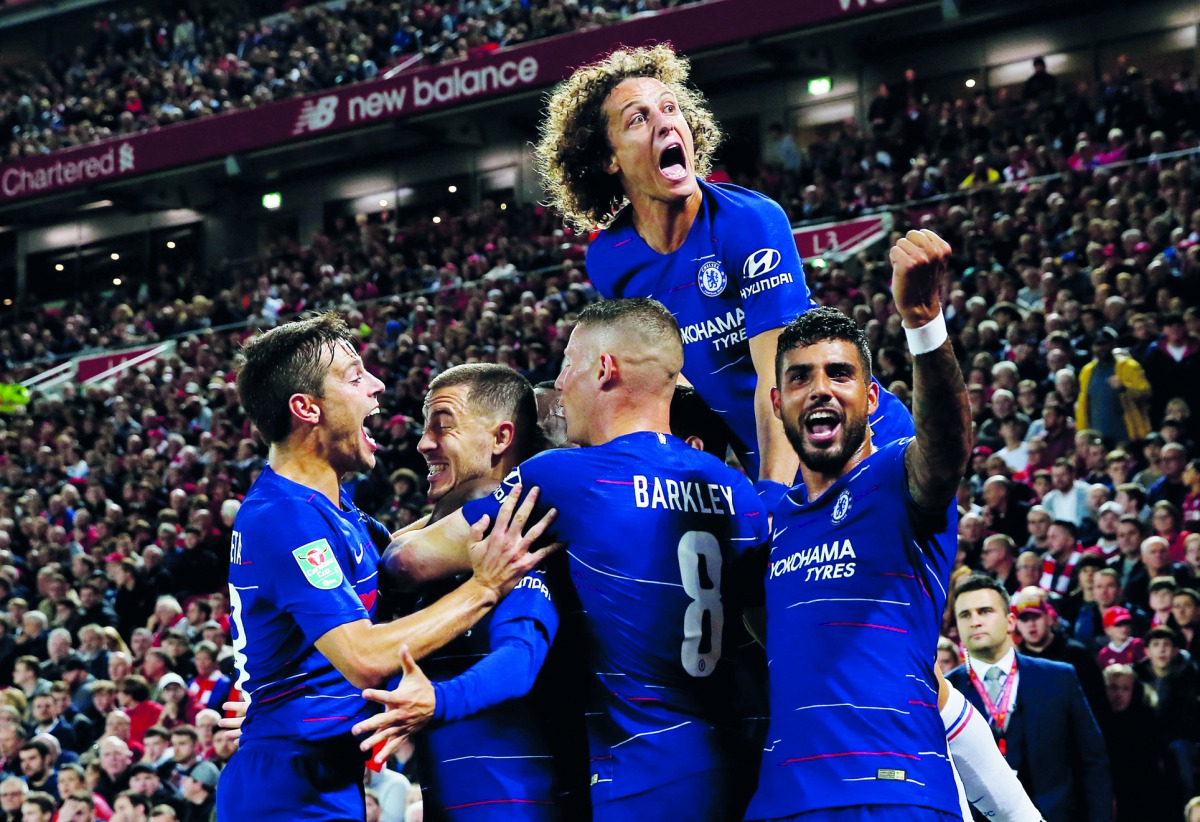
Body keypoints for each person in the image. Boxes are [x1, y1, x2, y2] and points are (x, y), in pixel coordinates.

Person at [381, 298, 770, 820]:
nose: (560, 384)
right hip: (734, 765)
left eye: (568, 364)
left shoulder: (567, 477)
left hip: (637, 775)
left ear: (604, 369)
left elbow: (407, 562)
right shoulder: (737, 489)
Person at [217, 313, 559, 821]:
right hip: (287, 789)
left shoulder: (339, 514)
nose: (377, 386)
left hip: (318, 777)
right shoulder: (284, 517)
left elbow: (418, 544)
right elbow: (363, 656)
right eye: (355, 377)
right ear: (306, 408)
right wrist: (484, 588)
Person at [534, 43, 913, 496]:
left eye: (670, 108)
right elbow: (670, 387)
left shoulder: (749, 221)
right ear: (608, 158)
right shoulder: (610, 259)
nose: (665, 123)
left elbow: (781, 375)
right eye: (639, 118)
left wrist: (772, 498)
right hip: (769, 464)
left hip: (859, 443)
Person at [745, 229, 972, 821]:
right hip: (781, 801)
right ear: (776, 404)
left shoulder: (896, 479)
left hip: (895, 791)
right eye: (800, 378)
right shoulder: (770, 519)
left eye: (839, 374)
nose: (820, 389)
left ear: (872, 398)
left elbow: (946, 448)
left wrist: (923, 323)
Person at [376, 364, 570, 819]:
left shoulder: (518, 540)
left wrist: (438, 702)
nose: (423, 443)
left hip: (520, 804)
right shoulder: (440, 559)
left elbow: (520, 658)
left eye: (442, 426)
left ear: (501, 438)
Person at [949, 575, 1111, 822]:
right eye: (965, 615)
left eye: (985, 611)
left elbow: (1093, 762)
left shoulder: (1059, 677)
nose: (975, 621)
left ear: (1010, 620)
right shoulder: (946, 692)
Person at [1076, 327, 1152, 445]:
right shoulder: (1087, 371)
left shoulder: (1129, 366)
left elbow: (1146, 393)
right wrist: (1081, 432)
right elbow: (1083, 405)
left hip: (1126, 435)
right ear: (1092, 347)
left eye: (1105, 344)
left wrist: (1124, 387)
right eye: (1098, 344)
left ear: (1113, 345)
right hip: (1097, 438)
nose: (1102, 348)